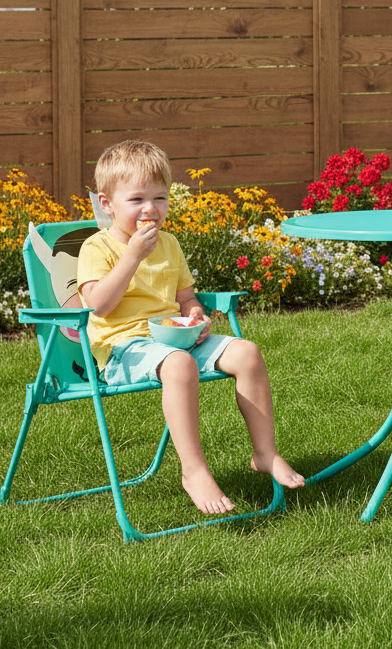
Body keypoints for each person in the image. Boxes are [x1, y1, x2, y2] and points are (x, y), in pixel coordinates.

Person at [78, 139, 304, 514]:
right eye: (136, 200)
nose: (150, 209)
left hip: (173, 340)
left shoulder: (169, 244)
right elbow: (99, 306)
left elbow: (186, 299)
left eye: (160, 198)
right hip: (122, 349)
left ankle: (265, 453)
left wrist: (197, 315)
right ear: (107, 204)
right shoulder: (97, 248)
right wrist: (132, 255)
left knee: (246, 352)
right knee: (180, 364)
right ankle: (194, 470)